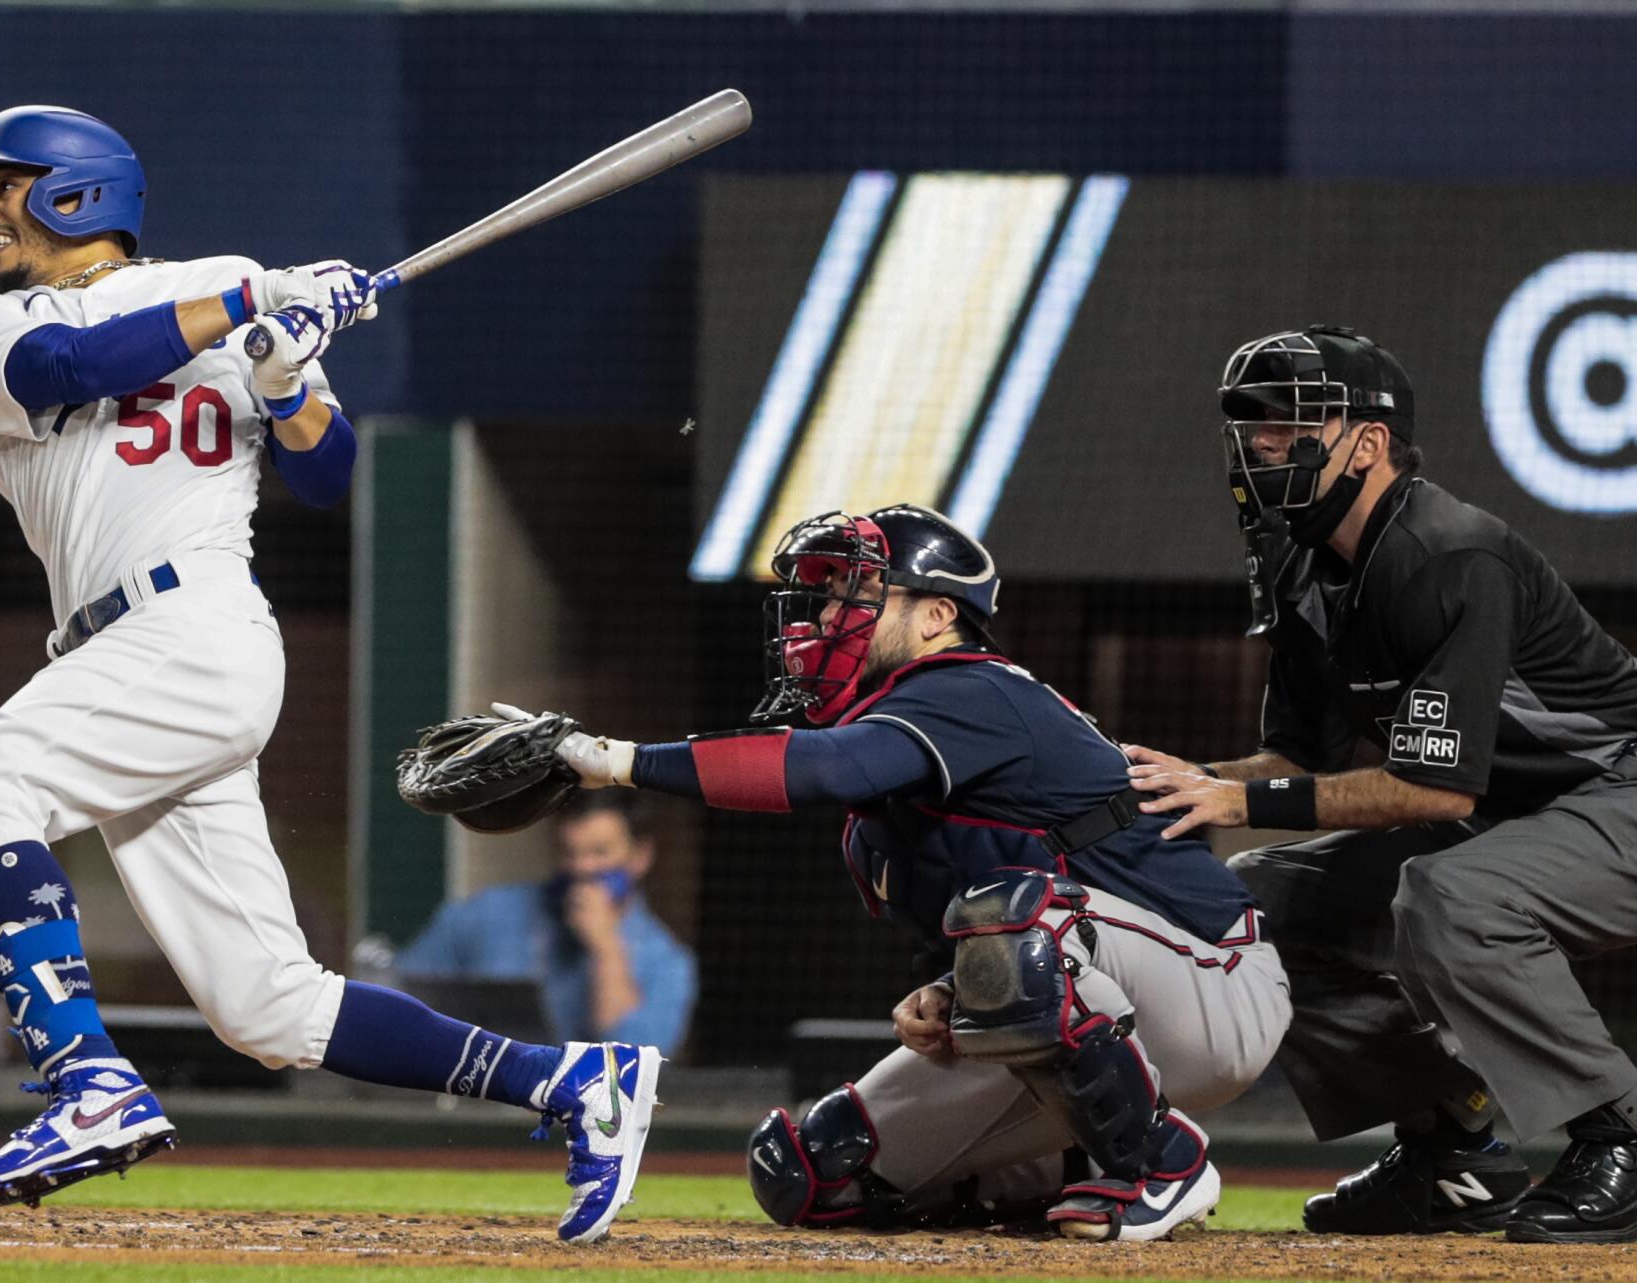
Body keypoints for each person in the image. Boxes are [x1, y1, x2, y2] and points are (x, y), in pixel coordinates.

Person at [0, 104, 657, 1241]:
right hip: (126, 652)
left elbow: (325, 473)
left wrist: (283, 376)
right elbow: (81, 360)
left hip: (194, 626)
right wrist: (259, 306)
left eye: (4, 185)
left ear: (76, 191)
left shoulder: (226, 285)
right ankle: (571, 1081)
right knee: (265, 1004)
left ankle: (88, 1080)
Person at [513, 504, 1290, 1241]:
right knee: (814, 1170)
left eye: (857, 593)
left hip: (1213, 981)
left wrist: (615, 762)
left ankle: (1162, 1160)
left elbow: (823, 770)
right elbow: (968, 944)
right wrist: (943, 990)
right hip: (1100, 1007)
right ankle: (1075, 1164)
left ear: (936, 615)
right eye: (826, 596)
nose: (825, 615)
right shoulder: (878, 811)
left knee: (1010, 919)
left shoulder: (971, 685)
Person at [1125, 327, 1637, 1244]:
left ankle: (1620, 1133)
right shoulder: (1304, 566)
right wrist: (1185, 783)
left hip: (1617, 786)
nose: (1261, 442)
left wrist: (1237, 803)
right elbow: (1298, 762)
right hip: (1519, 809)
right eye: (1251, 423)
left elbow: (1431, 792)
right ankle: (1455, 1149)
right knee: (1256, 904)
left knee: (1453, 894)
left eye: (1287, 422)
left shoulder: (1447, 553)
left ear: (1366, 442)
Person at [399, 794, 698, 1055]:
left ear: (640, 856)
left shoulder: (667, 961)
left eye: (599, 853)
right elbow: (404, 996)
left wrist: (607, 950)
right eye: (570, 852)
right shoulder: (488, 913)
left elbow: (629, 1062)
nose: (582, 868)